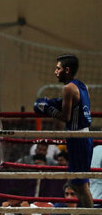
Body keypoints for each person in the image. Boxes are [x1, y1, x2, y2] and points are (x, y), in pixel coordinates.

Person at [34, 54, 93, 208]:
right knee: (73, 183)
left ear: (66, 70)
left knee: (81, 185)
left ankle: (91, 213)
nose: (55, 72)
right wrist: (54, 103)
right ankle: (86, 211)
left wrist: (48, 108)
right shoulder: (82, 85)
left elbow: (66, 117)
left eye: (58, 68)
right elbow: (77, 109)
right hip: (81, 136)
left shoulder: (68, 88)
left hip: (78, 137)